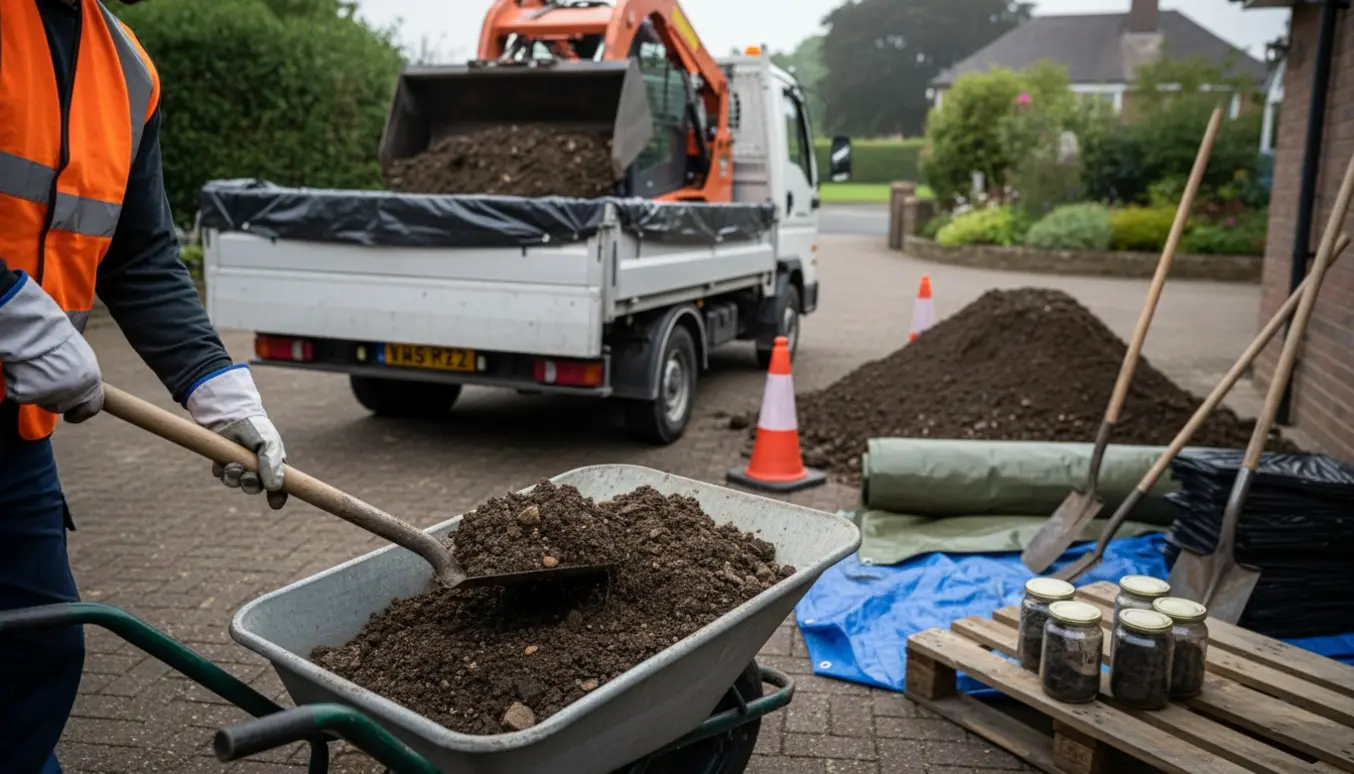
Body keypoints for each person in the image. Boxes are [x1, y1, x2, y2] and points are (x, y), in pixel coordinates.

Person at [0, 1, 289, 771]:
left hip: (11, 437)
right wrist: (5, 307)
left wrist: (214, 385)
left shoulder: (129, 70)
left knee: (37, 649)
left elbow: (139, 254)